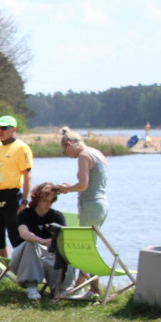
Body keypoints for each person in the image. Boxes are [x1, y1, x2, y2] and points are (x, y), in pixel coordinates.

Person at [57, 126, 109, 294]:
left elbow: (83, 185)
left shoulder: (83, 156)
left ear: (70, 144)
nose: (67, 155)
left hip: (91, 205)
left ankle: (81, 289)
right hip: (101, 204)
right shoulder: (96, 152)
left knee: (86, 247)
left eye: (65, 152)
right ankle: (91, 289)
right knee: (90, 245)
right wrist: (70, 187)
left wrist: (65, 189)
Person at [9, 182, 71, 300]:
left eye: (51, 201)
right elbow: (24, 233)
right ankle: (31, 286)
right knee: (30, 243)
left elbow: (65, 235)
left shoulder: (56, 216)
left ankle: (61, 288)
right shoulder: (25, 214)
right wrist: (42, 241)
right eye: (45, 201)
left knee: (66, 252)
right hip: (23, 258)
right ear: (37, 199)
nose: (48, 204)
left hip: (46, 257)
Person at [0, 115, 33, 258]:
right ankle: (5, 272)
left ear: (14, 129)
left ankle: (24, 270)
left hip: (12, 195)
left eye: (4, 128)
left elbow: (27, 176)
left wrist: (25, 201)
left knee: (15, 235)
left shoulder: (21, 148)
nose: (0, 131)